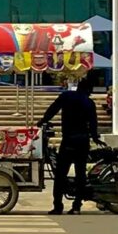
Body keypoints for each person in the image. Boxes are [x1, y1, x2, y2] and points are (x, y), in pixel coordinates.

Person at [38, 72, 100, 214]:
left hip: (68, 141)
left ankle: (58, 206)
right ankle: (77, 205)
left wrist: (42, 121)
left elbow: (52, 109)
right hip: (83, 141)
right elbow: (93, 124)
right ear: (89, 90)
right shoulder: (89, 103)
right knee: (80, 175)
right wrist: (95, 138)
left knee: (60, 174)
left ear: (78, 87)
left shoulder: (66, 96)